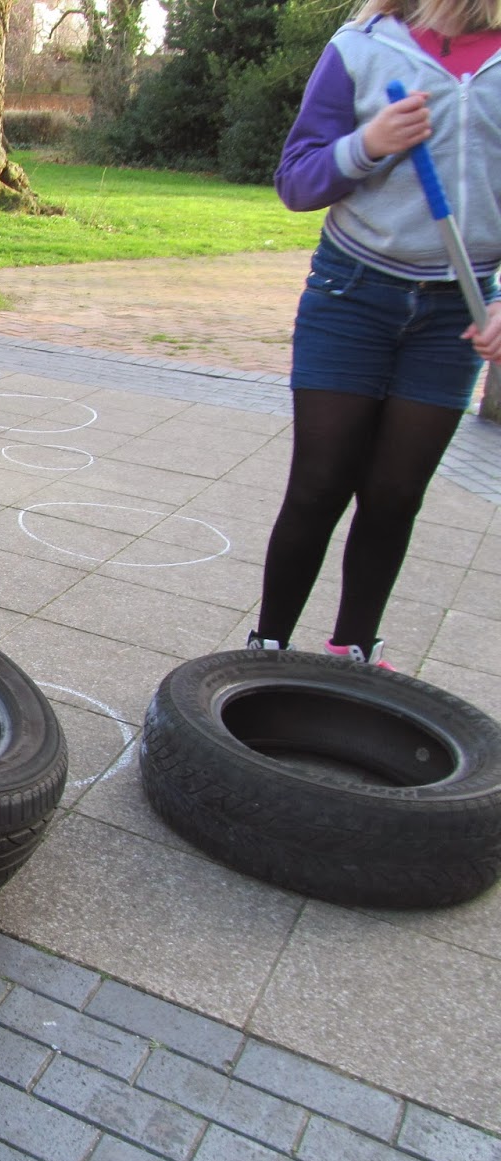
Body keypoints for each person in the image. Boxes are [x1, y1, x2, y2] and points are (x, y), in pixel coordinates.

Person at [250, 0, 501, 669]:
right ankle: (265, 649)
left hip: (457, 310)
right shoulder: (361, 48)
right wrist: (368, 144)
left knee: (394, 495)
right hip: (351, 296)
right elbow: (296, 181)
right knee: (319, 485)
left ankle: (353, 650)